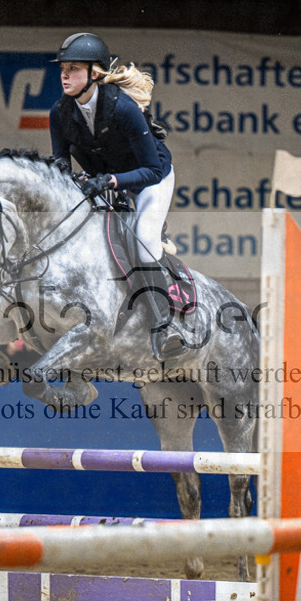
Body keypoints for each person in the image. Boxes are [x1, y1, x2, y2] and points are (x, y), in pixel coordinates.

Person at [49, 32, 184, 361]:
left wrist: (109, 180)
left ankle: (164, 326)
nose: (65, 75)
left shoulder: (122, 109)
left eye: (74, 68)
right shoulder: (59, 114)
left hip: (151, 179)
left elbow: (151, 169)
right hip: (106, 183)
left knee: (144, 238)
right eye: (63, 68)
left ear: (95, 73)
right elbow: (60, 168)